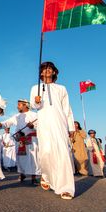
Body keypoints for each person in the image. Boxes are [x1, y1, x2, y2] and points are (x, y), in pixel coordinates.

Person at [30, 61, 75, 200]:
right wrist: (36, 101)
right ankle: (46, 176)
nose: (47, 70)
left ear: (54, 72)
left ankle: (66, 188)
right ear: (41, 73)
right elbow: (34, 105)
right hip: (44, 125)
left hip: (60, 124)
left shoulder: (61, 88)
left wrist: (71, 126)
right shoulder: (35, 88)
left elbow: (67, 109)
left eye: (50, 68)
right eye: (44, 68)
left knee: (63, 153)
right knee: (46, 153)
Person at [0, 99, 40, 184]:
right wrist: (0, 125)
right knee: (21, 158)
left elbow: (40, 126)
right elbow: (8, 122)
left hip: (31, 140)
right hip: (20, 140)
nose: (17, 106)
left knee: (33, 158)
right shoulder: (16, 116)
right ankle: (22, 174)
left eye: (20, 105)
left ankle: (34, 177)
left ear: (26, 105)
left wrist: (32, 126)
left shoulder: (35, 115)